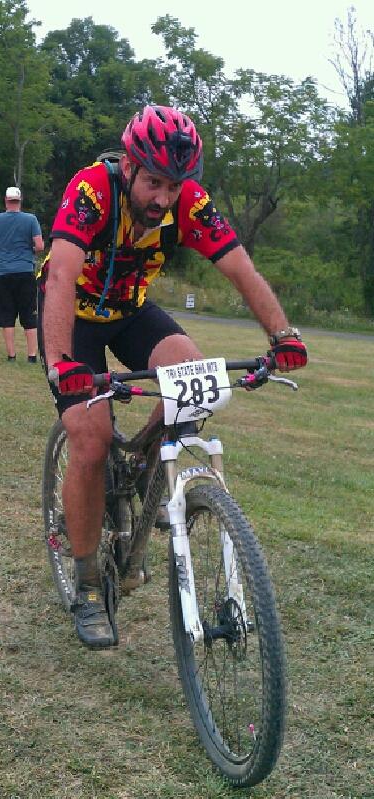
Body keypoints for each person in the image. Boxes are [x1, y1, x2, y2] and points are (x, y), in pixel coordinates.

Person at [41, 105, 308, 650]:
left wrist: (283, 335)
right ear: (130, 168)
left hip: (131, 311)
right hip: (75, 315)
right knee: (89, 440)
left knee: (192, 371)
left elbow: (240, 268)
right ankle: (89, 586)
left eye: (174, 185)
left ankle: (142, 468)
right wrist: (62, 361)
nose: (163, 198)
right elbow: (63, 274)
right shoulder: (93, 191)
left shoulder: (188, 203)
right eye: (154, 182)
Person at [0, 187, 44, 363]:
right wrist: (30, 249)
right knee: (28, 313)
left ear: (6, 200)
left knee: (6, 313)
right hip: (25, 270)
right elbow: (40, 245)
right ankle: (32, 355)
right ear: (20, 201)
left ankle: (11, 355)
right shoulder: (30, 219)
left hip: (3, 272)